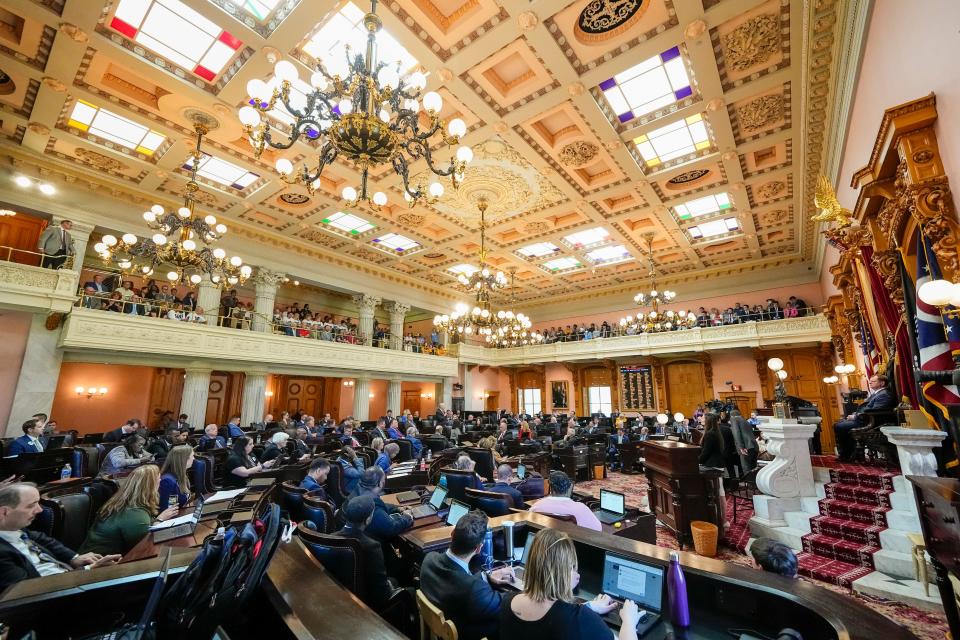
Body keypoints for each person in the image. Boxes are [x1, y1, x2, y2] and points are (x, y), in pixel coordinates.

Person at [499, 527, 638, 640]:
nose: (575, 572)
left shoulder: (506, 602)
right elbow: (561, 614)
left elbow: (550, 611)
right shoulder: (580, 619)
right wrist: (629, 621)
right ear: (563, 572)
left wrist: (588, 605)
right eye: (571, 567)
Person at [0, 483, 121, 591]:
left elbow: (43, 539)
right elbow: (25, 592)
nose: (40, 510)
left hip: (67, 579)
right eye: (31, 505)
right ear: (4, 512)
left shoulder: (15, 528)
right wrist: (87, 571)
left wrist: (74, 558)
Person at [420, 510, 516, 640]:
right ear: (479, 548)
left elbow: (459, 582)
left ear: (452, 534)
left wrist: (485, 576)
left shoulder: (429, 559)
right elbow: (506, 604)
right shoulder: (474, 589)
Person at [80, 465, 179, 556]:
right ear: (150, 486)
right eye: (158, 479)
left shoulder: (126, 503)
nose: (160, 482)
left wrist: (159, 519)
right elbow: (145, 547)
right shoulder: (134, 513)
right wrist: (159, 521)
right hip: (97, 567)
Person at [333, 495, 394, 608]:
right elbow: (382, 594)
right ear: (368, 519)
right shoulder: (372, 547)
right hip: (368, 605)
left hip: (339, 597)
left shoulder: (330, 538)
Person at [834, 374, 896, 461]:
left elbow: (875, 411)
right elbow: (868, 408)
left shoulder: (884, 394)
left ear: (882, 383)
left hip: (872, 422)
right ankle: (850, 453)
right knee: (840, 423)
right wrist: (856, 414)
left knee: (840, 426)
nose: (870, 383)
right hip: (865, 419)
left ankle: (847, 455)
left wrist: (855, 416)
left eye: (873, 381)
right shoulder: (877, 393)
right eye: (869, 381)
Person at [347, 467, 413, 542]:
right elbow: (391, 528)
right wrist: (407, 517)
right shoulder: (371, 504)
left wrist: (397, 508)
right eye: (383, 479)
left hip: (353, 537)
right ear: (380, 483)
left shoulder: (357, 491)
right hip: (370, 546)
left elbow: (381, 505)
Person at [529, 471, 601, 531]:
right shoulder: (581, 508)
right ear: (569, 487)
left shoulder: (536, 506)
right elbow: (598, 530)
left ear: (550, 487)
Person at [729, 409, 758, 474]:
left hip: (746, 448)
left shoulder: (734, 419)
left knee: (747, 471)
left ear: (731, 416)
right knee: (754, 469)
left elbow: (736, 433)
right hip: (754, 446)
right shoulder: (745, 420)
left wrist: (741, 447)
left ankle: (749, 484)